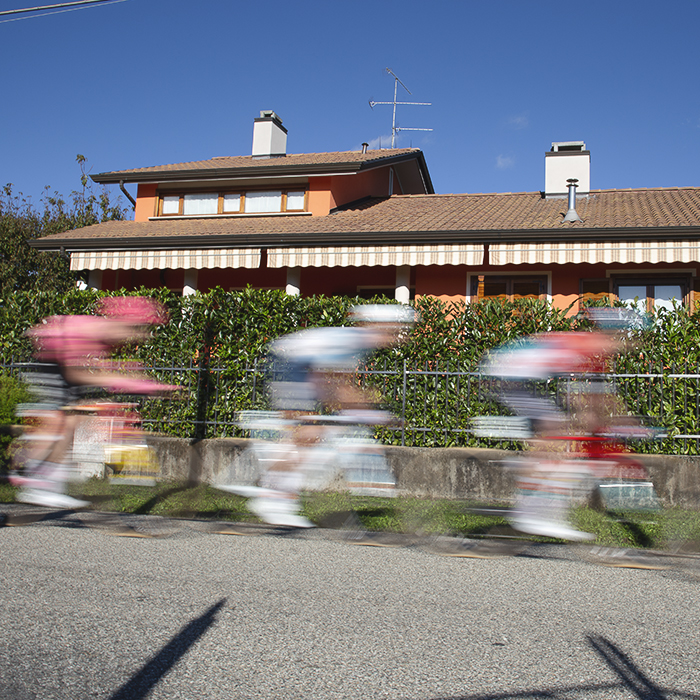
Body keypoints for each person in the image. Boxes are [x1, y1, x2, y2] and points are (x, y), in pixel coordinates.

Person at [220, 304, 415, 528]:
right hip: (288, 365)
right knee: (308, 434)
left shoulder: (358, 343)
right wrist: (369, 413)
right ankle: (271, 497)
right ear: (378, 328)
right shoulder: (353, 342)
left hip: (300, 368)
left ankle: (274, 492)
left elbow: (332, 384)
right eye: (392, 330)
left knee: (311, 434)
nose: (396, 337)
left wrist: (361, 411)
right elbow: (338, 388)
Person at [478, 308, 645, 541]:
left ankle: (531, 499)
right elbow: (577, 396)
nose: (631, 345)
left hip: (517, 372)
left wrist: (621, 420)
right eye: (630, 338)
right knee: (556, 431)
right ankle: (533, 514)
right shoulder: (593, 348)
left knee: (556, 435)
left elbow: (601, 396)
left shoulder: (595, 349)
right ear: (614, 335)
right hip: (509, 374)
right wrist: (610, 422)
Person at [11, 297, 176, 509]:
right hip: (52, 358)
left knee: (73, 420)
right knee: (61, 420)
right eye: (141, 328)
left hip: (63, 362)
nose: (141, 336)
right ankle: (34, 481)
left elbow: (108, 373)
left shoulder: (108, 338)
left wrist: (150, 386)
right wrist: (135, 385)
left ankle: (47, 483)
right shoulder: (95, 331)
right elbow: (78, 374)